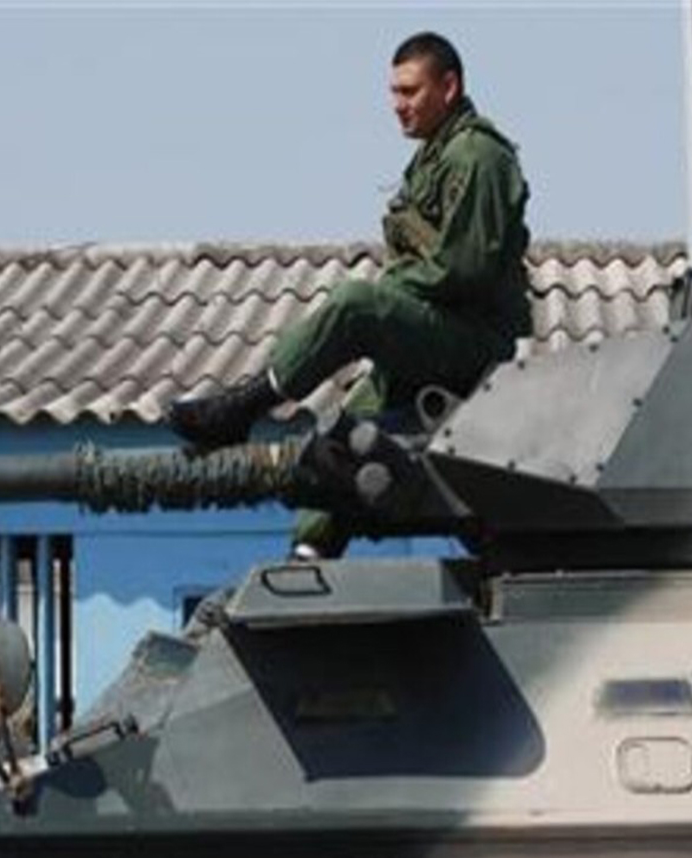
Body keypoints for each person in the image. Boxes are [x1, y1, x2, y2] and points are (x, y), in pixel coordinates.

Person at [168, 30, 532, 558]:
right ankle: (309, 558)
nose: (398, 106)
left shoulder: (478, 155)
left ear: (448, 87)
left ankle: (245, 407)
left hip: (470, 340)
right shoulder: (435, 156)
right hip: (432, 334)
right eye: (394, 93)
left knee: (357, 304)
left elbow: (465, 267)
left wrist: (387, 298)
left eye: (409, 92)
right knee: (339, 438)